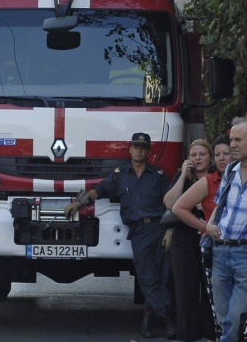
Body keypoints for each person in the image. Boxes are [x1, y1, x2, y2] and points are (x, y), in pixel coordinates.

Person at [64, 132, 174, 339]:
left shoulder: (158, 175)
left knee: (163, 276)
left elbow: (169, 203)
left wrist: (170, 229)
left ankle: (148, 322)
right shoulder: (120, 174)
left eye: (143, 147)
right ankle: (167, 318)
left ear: (148, 151)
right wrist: (78, 202)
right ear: (130, 150)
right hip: (139, 231)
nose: (139, 150)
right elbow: (100, 190)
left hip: (159, 229)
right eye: (136, 146)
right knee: (147, 277)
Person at [205, 118, 247, 342]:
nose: (232, 145)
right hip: (221, 251)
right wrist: (211, 225)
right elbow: (220, 205)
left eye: (238, 139)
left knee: (237, 317)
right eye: (231, 139)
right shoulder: (231, 169)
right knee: (223, 319)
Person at [162, 139, 215, 341]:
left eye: (202, 154)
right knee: (185, 290)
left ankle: (210, 333)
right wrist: (183, 175)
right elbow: (169, 203)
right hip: (184, 239)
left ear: (209, 157)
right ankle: (187, 334)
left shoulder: (216, 177)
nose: (198, 158)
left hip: (208, 239)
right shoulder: (183, 176)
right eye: (194, 155)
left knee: (209, 288)